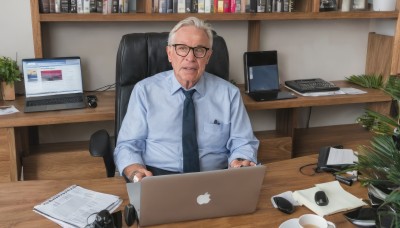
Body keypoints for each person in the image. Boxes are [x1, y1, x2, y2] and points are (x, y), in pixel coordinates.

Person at [114, 16, 259, 183]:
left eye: (199, 50)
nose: (190, 58)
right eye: (182, 48)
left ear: (208, 56)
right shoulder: (144, 91)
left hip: (215, 178)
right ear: (169, 53)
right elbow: (128, 145)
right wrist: (135, 171)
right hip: (157, 177)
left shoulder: (229, 94)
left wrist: (240, 161)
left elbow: (243, 141)